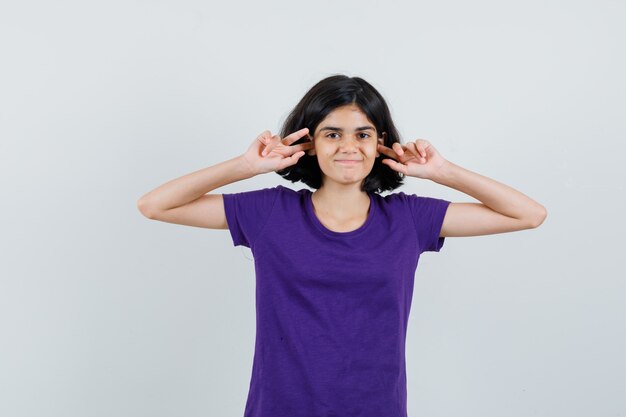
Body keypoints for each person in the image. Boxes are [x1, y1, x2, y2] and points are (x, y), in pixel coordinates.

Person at [137, 74, 547, 417]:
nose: (348, 146)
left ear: (379, 143)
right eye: (332, 133)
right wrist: (246, 166)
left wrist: (443, 172)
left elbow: (528, 214)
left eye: (362, 134)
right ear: (311, 143)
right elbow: (154, 205)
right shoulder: (269, 214)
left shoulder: (408, 219)